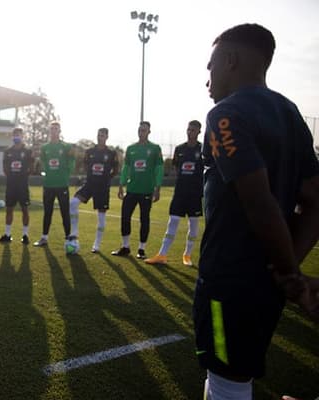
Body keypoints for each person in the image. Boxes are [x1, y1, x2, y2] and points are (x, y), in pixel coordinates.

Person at [193, 24, 319, 399]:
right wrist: (287, 269)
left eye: (211, 66)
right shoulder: (290, 112)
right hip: (266, 285)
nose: (208, 80)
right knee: (235, 371)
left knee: (225, 378)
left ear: (230, 60)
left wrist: (289, 272)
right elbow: (315, 199)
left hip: (227, 282)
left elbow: (259, 201)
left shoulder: (224, 115)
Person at [145, 121, 203, 266]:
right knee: (173, 222)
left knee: (194, 224)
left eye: (193, 130)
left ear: (199, 132)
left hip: (195, 193)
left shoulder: (203, 149)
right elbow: (177, 168)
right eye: (189, 129)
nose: (190, 132)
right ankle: (162, 254)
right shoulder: (179, 149)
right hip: (180, 192)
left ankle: (187, 255)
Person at [111, 121, 163, 259]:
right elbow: (126, 168)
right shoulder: (131, 148)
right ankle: (125, 247)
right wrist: (121, 184)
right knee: (125, 217)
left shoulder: (155, 148)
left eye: (144, 130)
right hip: (132, 190)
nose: (141, 132)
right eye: (140, 130)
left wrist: (157, 188)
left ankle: (141, 249)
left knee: (144, 219)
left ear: (149, 132)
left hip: (147, 190)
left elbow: (159, 169)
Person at [69, 128, 118, 253]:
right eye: (98, 135)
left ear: (107, 137)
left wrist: (106, 178)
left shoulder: (111, 153)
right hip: (89, 184)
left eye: (102, 135)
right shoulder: (89, 151)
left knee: (101, 217)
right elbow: (85, 165)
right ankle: (74, 233)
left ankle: (96, 244)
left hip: (103, 187)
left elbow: (116, 170)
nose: (100, 137)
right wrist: (91, 175)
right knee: (73, 203)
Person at [33, 121, 75, 247]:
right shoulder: (44, 148)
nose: (54, 131)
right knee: (47, 212)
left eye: (56, 129)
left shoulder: (66, 147)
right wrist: (44, 172)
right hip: (48, 185)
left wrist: (67, 172)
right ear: (49, 131)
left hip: (62, 184)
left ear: (59, 131)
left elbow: (72, 161)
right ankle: (44, 237)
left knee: (64, 212)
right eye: (52, 129)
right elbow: (43, 163)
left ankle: (69, 238)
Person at [0, 127, 33, 244]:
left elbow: (31, 168)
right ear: (12, 137)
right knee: (9, 209)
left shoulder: (27, 151)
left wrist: (22, 176)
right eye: (15, 135)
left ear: (22, 136)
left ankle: (25, 235)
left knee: (25, 209)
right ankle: (7, 235)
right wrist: (13, 177)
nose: (16, 137)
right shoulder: (8, 151)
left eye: (19, 135)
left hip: (23, 185)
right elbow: (5, 168)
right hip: (11, 185)